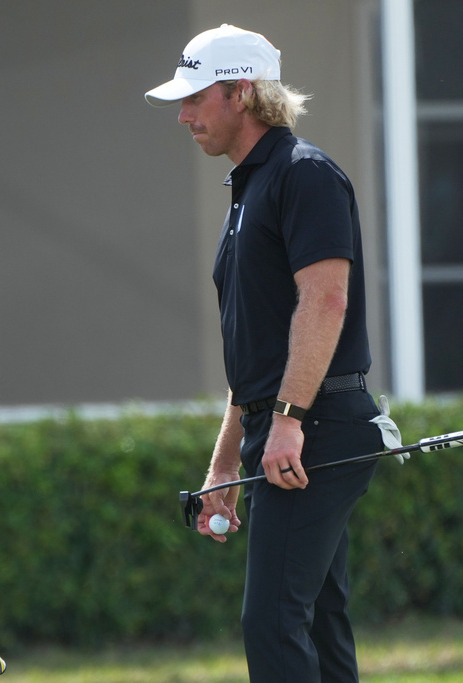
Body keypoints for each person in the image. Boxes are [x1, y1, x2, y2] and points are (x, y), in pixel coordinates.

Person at [145, 25, 393, 683]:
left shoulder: (302, 174)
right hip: (286, 425)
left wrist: (287, 420)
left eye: (198, 97)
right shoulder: (247, 189)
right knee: (315, 621)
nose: (184, 114)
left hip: (316, 426)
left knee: (273, 619)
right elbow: (258, 351)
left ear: (243, 93)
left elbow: (325, 302)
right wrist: (227, 459)